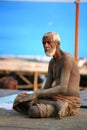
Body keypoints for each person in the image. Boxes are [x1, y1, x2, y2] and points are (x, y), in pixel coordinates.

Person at [13, 32, 81, 119]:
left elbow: (63, 88)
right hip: (55, 99)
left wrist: (37, 94)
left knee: (33, 111)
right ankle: (56, 104)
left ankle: (60, 106)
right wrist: (33, 95)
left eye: (49, 42)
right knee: (19, 99)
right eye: (44, 43)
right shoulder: (52, 62)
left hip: (70, 101)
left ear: (58, 43)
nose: (45, 45)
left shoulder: (66, 59)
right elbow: (47, 87)